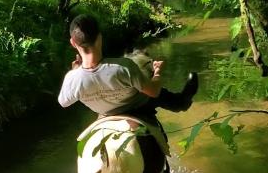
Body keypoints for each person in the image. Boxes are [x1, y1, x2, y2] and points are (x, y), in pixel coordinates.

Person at [58, 14, 199, 123]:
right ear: (99, 37)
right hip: (137, 107)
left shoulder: (72, 78)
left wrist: (75, 71)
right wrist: (157, 73)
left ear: (72, 43)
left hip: (104, 115)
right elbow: (153, 92)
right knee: (162, 95)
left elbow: (64, 102)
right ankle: (183, 102)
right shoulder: (124, 67)